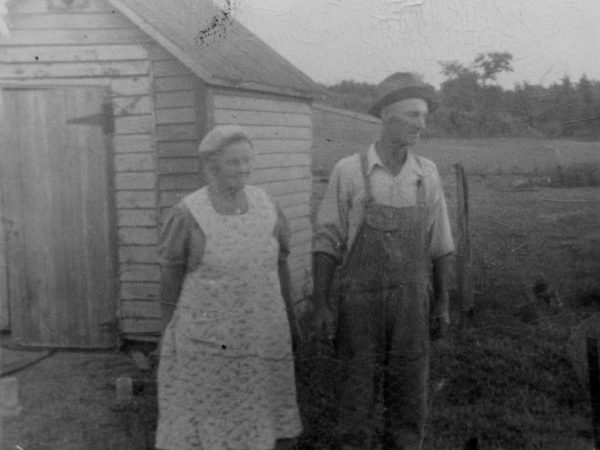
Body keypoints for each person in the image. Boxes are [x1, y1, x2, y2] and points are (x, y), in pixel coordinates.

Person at [311, 73, 455, 450]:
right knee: (356, 402)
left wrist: (442, 304)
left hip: (412, 305)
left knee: (408, 402)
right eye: (413, 115)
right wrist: (323, 304)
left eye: (424, 116)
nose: (422, 124)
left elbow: (441, 245)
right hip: (359, 305)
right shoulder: (349, 172)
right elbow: (326, 243)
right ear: (387, 116)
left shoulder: (427, 174)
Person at [155, 125, 303, 450]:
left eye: (248, 161)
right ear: (211, 167)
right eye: (235, 162)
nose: (244, 169)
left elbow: (281, 266)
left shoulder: (267, 205)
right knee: (211, 416)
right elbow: (170, 279)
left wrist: (292, 322)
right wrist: (168, 332)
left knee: (262, 410)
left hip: (262, 332)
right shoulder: (188, 214)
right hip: (209, 339)